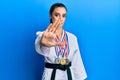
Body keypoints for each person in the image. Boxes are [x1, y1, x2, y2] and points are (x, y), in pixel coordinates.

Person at [35, 3, 87, 80]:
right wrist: (44, 45)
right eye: (57, 15)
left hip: (69, 75)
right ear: (50, 15)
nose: (60, 19)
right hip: (51, 74)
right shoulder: (44, 36)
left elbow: (77, 61)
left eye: (63, 16)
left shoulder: (72, 38)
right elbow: (43, 50)